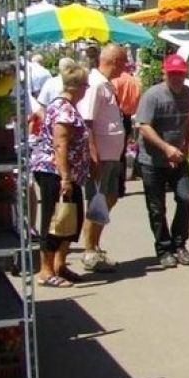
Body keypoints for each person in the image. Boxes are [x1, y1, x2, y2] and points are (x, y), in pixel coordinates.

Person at [30, 63, 91, 288]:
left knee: (71, 220)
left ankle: (60, 265)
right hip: (54, 172)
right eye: (86, 85)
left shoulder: (68, 107)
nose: (87, 90)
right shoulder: (64, 109)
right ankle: (46, 271)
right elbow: (60, 145)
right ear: (77, 86)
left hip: (69, 174)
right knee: (55, 219)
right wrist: (65, 178)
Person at [136, 54, 189, 268]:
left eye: (180, 74)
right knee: (157, 207)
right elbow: (143, 125)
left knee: (186, 199)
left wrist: (186, 144)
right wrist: (166, 148)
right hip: (152, 160)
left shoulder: (188, 94)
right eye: (172, 74)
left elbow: (187, 118)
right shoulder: (153, 96)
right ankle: (163, 248)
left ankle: (179, 244)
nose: (177, 78)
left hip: (178, 158)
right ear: (165, 73)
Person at [76, 44, 128, 273]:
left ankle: (95, 245)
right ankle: (89, 251)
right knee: (97, 201)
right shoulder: (95, 84)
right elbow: (87, 122)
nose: (126, 67)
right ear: (113, 61)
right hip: (102, 156)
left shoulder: (106, 84)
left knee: (111, 197)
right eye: (123, 61)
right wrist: (93, 154)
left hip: (112, 154)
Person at [111, 65, 142, 195]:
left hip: (117, 116)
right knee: (122, 153)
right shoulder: (134, 82)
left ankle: (113, 185)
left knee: (113, 154)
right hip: (128, 118)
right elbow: (137, 101)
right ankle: (121, 186)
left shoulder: (115, 80)